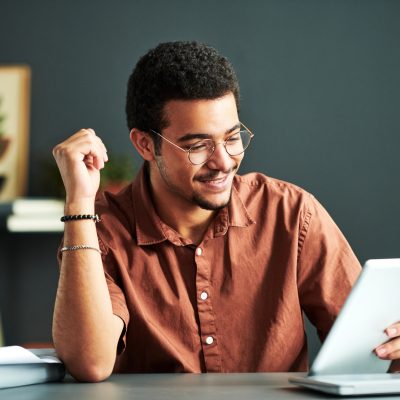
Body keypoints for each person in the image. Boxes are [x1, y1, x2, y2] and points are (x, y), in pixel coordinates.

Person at [52, 41, 400, 382]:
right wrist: (79, 204)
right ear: (145, 144)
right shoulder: (102, 228)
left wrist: (392, 345)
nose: (223, 162)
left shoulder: (291, 214)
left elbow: (373, 349)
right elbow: (90, 364)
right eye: (198, 146)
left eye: (233, 138)